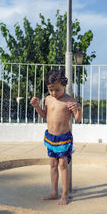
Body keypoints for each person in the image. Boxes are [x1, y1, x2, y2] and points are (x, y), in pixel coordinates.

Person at [30, 69, 82, 205]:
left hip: (63, 138)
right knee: (53, 164)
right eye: (51, 90)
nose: (54, 93)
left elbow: (78, 119)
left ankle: (65, 194)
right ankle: (54, 192)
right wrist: (36, 106)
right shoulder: (48, 99)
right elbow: (45, 116)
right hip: (50, 137)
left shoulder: (69, 100)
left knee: (63, 164)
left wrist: (78, 109)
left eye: (57, 90)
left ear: (64, 85)